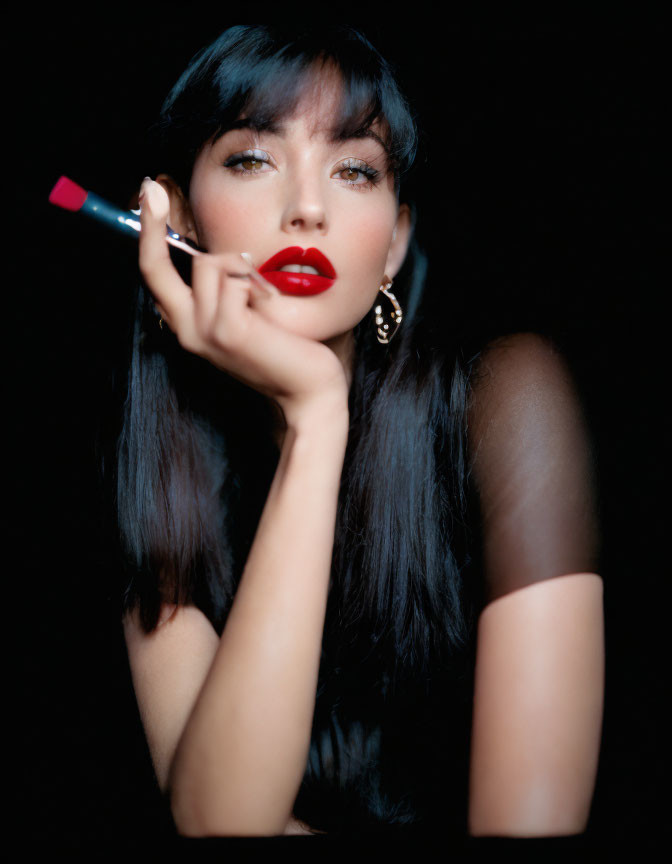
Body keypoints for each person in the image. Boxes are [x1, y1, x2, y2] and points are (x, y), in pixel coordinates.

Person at [102, 24, 604, 838]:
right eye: (253, 158)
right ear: (172, 217)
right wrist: (315, 417)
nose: (307, 207)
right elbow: (224, 824)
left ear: (395, 241)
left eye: (354, 169)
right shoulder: (157, 459)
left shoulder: (509, 397)